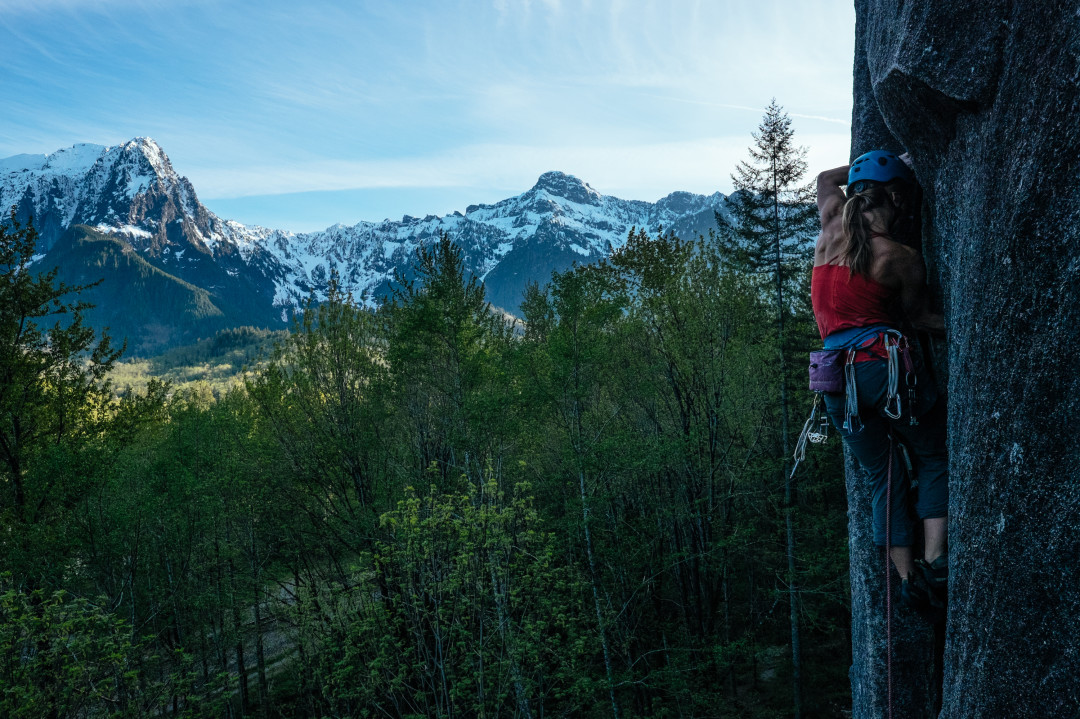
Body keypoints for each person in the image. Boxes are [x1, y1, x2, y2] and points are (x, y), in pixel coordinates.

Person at [813, 150, 947, 617]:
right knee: (930, 453)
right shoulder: (900, 257)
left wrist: (876, 160)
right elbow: (922, 319)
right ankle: (935, 563)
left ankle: (907, 580)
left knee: (881, 476)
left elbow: (826, 176)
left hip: (834, 381)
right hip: (881, 369)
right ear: (893, 199)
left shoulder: (830, 220)